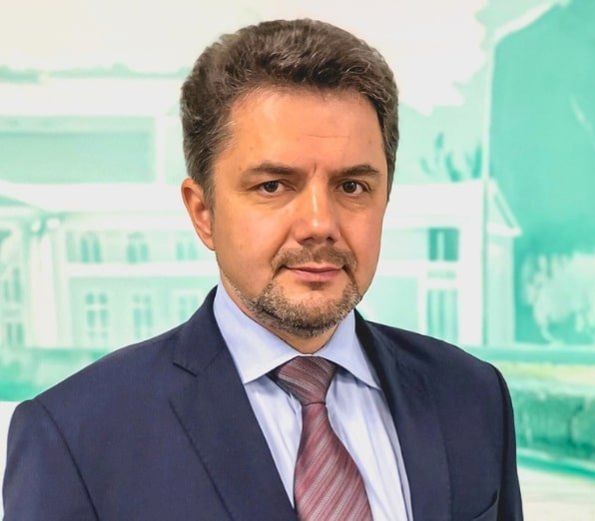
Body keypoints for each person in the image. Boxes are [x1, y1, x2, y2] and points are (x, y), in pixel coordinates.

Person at [2, 19, 523, 521]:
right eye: (273, 186)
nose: (319, 224)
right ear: (203, 212)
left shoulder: (472, 397)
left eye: (352, 186)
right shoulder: (75, 437)